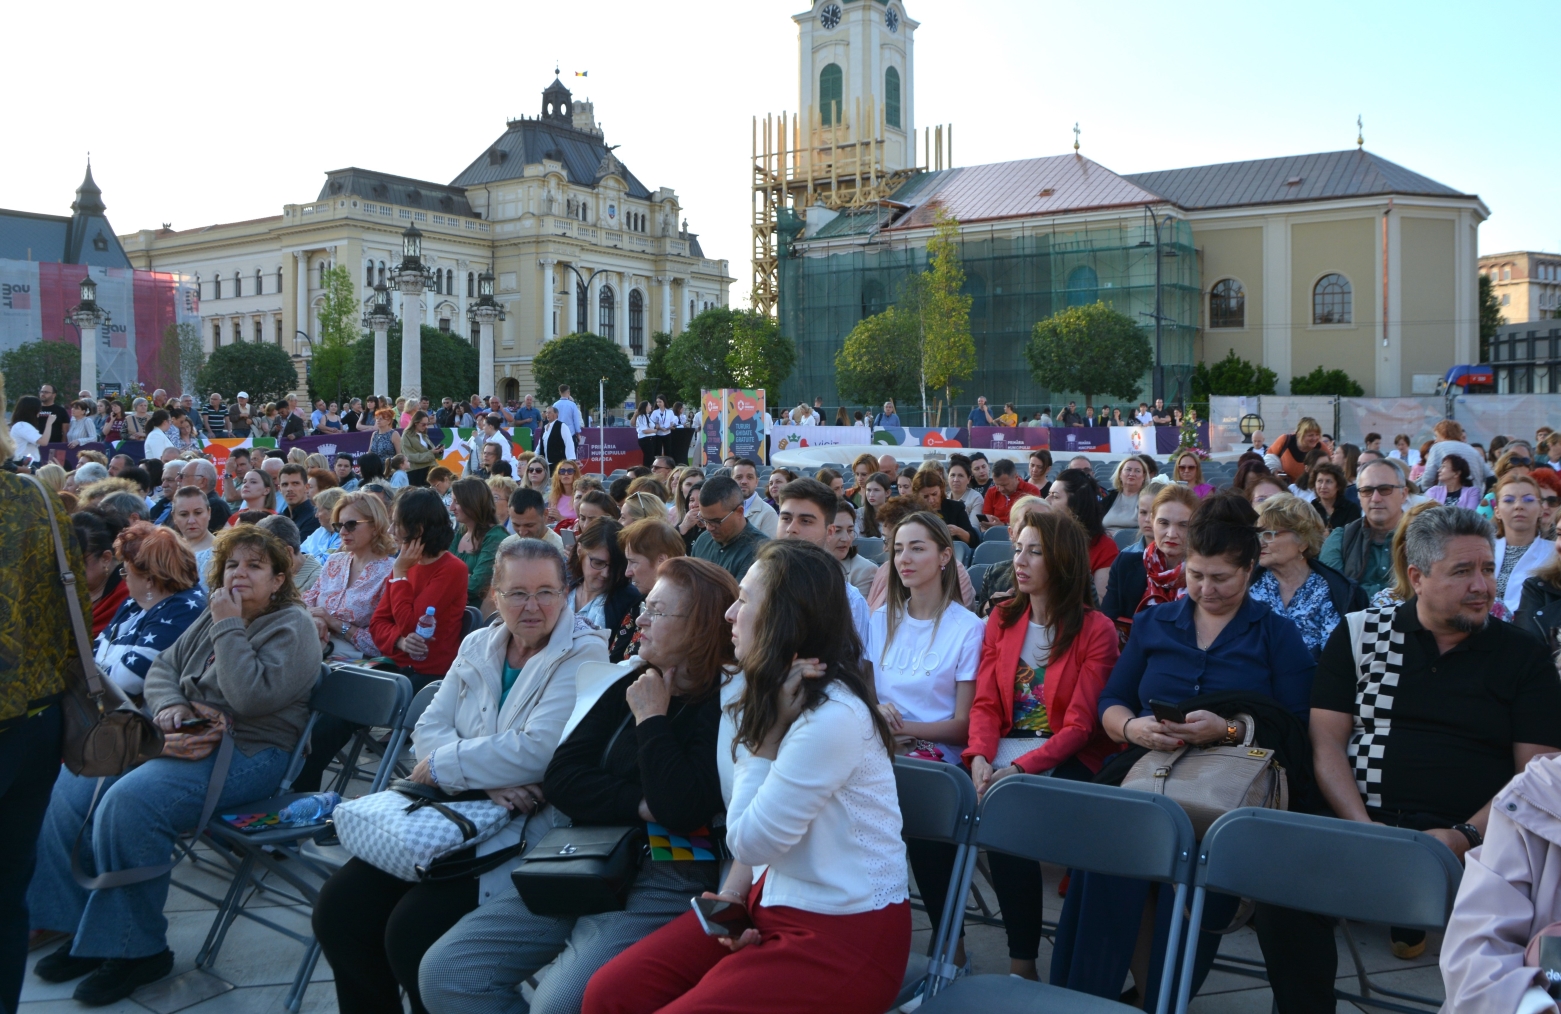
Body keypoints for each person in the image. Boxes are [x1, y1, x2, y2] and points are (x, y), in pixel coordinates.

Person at [582, 539, 909, 1014]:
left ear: (783, 617)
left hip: (842, 933)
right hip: (764, 900)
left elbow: (750, 840)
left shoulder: (831, 717)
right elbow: (755, 837)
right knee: (609, 994)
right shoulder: (760, 690)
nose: (731, 614)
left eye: (746, 601)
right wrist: (732, 904)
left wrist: (764, 744)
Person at [416, 556, 734, 1014]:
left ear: (701, 626)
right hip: (581, 852)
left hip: (666, 871)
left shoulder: (722, 703)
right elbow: (563, 777)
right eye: (645, 605)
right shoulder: (628, 679)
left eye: (658, 612)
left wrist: (652, 719)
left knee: (562, 1003)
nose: (640, 618)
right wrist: (640, 804)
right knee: (450, 970)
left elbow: (682, 809)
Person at [314, 537, 607, 1014]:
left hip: (522, 831)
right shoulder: (478, 643)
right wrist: (481, 779)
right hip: (450, 812)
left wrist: (444, 766)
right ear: (494, 592)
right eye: (517, 593)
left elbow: (538, 752)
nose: (532, 607)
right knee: (340, 910)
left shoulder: (584, 653)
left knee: (411, 935)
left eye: (546, 592)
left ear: (566, 592)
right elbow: (428, 725)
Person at [28, 526, 319, 1005]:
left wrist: (228, 626)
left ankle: (137, 950)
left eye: (254, 566)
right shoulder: (214, 611)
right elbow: (163, 669)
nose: (240, 574)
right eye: (232, 565)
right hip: (184, 734)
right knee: (74, 784)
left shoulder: (290, 625)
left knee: (130, 804)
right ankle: (81, 927)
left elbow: (248, 698)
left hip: (251, 752)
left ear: (279, 578)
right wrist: (171, 710)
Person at [1289, 507, 1561, 1005]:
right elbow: (1326, 742)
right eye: (1462, 572)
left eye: (1486, 568)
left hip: (1477, 847)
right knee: (1279, 888)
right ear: (1417, 577)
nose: (1482, 585)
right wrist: (1360, 825)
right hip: (1359, 825)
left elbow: (1534, 778)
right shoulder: (1359, 633)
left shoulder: (1523, 657)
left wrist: (1465, 835)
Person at [1062, 494, 1315, 1008]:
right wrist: (1134, 729)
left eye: (1221, 578)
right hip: (1148, 769)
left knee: (1202, 879)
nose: (1206, 589)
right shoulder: (1156, 624)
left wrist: (1227, 730)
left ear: (1248, 571)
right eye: (1196, 576)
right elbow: (1111, 701)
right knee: (1108, 857)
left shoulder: (1275, 634)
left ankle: (1160, 998)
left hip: (1232, 788)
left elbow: (1297, 726)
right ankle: (1101, 994)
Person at [964, 509, 1122, 981]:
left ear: (1063, 561)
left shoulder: (1096, 630)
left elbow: (1078, 726)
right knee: (999, 819)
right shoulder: (1002, 618)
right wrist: (978, 758)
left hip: (1070, 754)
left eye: (1035, 551)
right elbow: (986, 705)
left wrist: (1018, 770)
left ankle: (1072, 965)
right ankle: (1022, 963)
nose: (1020, 560)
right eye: (1018, 549)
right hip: (1007, 749)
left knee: (1013, 808)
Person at [92, 522, 206, 697]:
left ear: (148, 579)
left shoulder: (182, 611)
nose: (124, 580)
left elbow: (127, 681)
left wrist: (92, 678)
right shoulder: (135, 602)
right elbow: (94, 651)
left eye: (126, 572)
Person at [372, 488, 471, 683]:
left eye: (396, 524)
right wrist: (399, 641)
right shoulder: (405, 563)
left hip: (427, 674)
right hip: (393, 665)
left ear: (417, 529)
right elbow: (377, 624)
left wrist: (400, 575)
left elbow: (413, 626)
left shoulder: (452, 569)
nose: (390, 530)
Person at [1249, 494, 1366, 658]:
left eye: (1269, 534)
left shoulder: (1333, 591)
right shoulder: (1247, 584)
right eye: (1259, 534)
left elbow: (1336, 658)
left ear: (1303, 541)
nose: (1260, 542)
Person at [775, 477, 869, 644]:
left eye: (805, 521)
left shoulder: (849, 601)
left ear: (830, 531)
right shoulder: (755, 584)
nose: (791, 529)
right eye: (786, 519)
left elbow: (854, 666)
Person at [1100, 484, 1197, 632]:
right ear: (1152, 521)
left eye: (1183, 525)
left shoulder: (1205, 574)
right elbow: (1108, 623)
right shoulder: (1125, 564)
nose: (1171, 534)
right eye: (1163, 523)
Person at [1318, 459, 1407, 599]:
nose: (1376, 498)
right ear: (1359, 496)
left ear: (1404, 494)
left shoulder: (1425, 537)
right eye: (1367, 490)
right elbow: (1333, 592)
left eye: (1385, 489)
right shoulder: (1340, 539)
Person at [569, 517, 643, 662]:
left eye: (614, 566)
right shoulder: (561, 586)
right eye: (598, 563)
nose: (606, 573)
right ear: (580, 551)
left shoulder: (629, 600)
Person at [1045, 467, 1118, 601]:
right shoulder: (1044, 538)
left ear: (1075, 504)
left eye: (1055, 496)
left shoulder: (1104, 546)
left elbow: (1100, 601)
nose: (1046, 500)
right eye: (1049, 494)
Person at [1493, 472, 1551, 615]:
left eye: (1529, 499)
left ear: (1541, 510)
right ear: (1497, 511)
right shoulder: (1482, 549)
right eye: (1509, 500)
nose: (1519, 506)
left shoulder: (1555, 554)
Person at [690, 475, 767, 582]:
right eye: (704, 520)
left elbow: (737, 597)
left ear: (739, 512)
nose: (709, 528)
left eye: (716, 522)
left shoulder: (760, 551)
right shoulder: (703, 540)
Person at [450, 477, 508, 613]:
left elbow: (476, 585)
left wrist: (451, 579)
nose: (451, 508)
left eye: (457, 502)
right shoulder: (461, 532)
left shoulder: (495, 536)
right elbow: (441, 571)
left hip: (476, 615)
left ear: (472, 503)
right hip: (454, 608)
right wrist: (464, 577)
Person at [71, 509, 130, 637]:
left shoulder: (130, 595)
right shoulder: (62, 593)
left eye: (76, 562)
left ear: (105, 558)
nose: (66, 570)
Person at [619, 516, 686, 597]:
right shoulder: (636, 601)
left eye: (633, 562)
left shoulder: (690, 606)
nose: (627, 573)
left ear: (662, 561)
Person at [911, 466, 975, 545]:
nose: (931, 500)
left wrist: (958, 531)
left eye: (934, 494)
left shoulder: (955, 508)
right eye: (925, 497)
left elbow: (974, 540)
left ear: (941, 489)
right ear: (917, 495)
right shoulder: (912, 512)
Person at [830, 501, 878, 598]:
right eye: (837, 531)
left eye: (850, 530)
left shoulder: (864, 570)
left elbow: (855, 611)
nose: (846, 538)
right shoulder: (804, 562)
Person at [980, 458, 1042, 529]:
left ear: (1016, 477)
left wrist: (1003, 526)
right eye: (997, 484)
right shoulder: (991, 492)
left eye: (1004, 485)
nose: (1000, 489)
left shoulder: (1031, 491)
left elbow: (1033, 523)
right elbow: (986, 520)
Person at [1266, 417, 1324, 484]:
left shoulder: (1321, 447)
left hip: (1310, 490)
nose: (1315, 438)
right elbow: (1269, 458)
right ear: (1299, 435)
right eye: (1310, 435)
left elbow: (1331, 468)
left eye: (1317, 435)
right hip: (1285, 488)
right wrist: (1274, 472)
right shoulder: (1285, 440)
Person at [507, 487, 565, 551]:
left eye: (529, 525)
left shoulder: (560, 549)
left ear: (545, 514)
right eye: (516, 525)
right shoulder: (507, 546)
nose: (522, 532)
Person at [730, 458, 777, 538]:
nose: (744, 481)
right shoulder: (723, 509)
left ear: (756, 482)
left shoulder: (768, 514)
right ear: (731, 481)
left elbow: (768, 549)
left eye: (749, 477)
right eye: (739, 477)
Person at [1101, 457, 1148, 533]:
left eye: (1137, 471)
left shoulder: (1148, 499)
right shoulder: (1109, 497)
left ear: (1144, 476)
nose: (1132, 474)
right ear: (1120, 474)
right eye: (1128, 469)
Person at [9, 395, 58, 463]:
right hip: (24, 463)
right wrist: (49, 423)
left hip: (26, 461)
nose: (40, 411)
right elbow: (43, 442)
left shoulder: (22, 425)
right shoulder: (22, 426)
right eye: (39, 408)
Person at [277, 462, 319, 538]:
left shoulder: (315, 517)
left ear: (306, 487)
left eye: (295, 483)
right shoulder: (279, 517)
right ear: (280, 489)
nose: (289, 489)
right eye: (285, 484)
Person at [947, 454, 983, 519]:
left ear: (968, 479)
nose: (956, 480)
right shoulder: (943, 498)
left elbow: (974, 527)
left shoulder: (976, 498)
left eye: (960, 476)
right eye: (952, 475)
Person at [547, 459, 580, 528]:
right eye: (562, 471)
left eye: (570, 471)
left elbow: (583, 523)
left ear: (575, 474)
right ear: (558, 476)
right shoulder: (553, 497)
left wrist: (561, 518)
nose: (566, 474)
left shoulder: (580, 496)